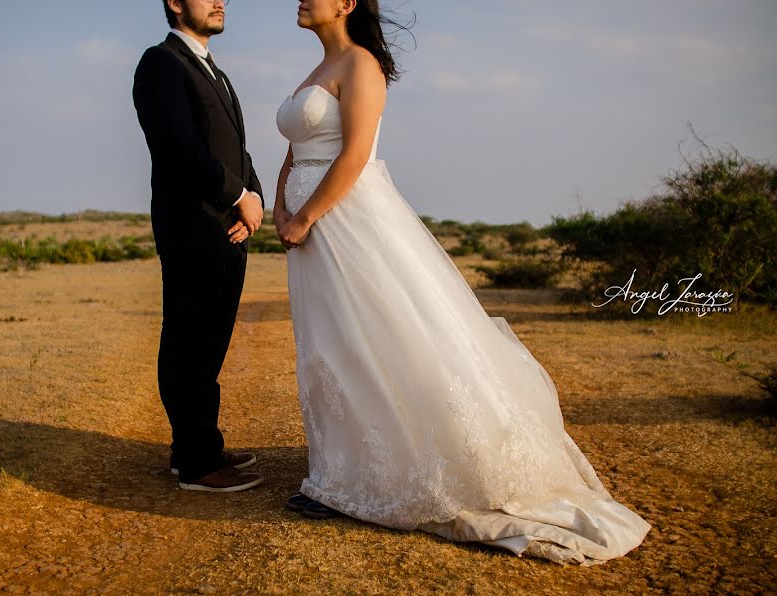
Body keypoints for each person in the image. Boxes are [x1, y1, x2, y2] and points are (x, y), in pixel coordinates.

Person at [274, 0, 651, 564]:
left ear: (346, 4)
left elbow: (354, 157)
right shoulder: (315, 70)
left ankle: (400, 471)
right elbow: (293, 153)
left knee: (381, 335)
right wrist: (282, 207)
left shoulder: (361, 65)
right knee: (333, 342)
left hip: (347, 221)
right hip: (309, 231)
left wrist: (305, 216)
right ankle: (341, 473)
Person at [133, 0, 265, 493]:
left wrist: (253, 197)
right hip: (192, 226)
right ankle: (197, 464)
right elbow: (178, 147)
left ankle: (196, 445)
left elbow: (237, 148)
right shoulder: (160, 63)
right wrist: (236, 196)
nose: (220, 1)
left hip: (226, 227)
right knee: (189, 343)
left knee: (208, 345)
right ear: (174, 2)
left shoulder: (214, 70)